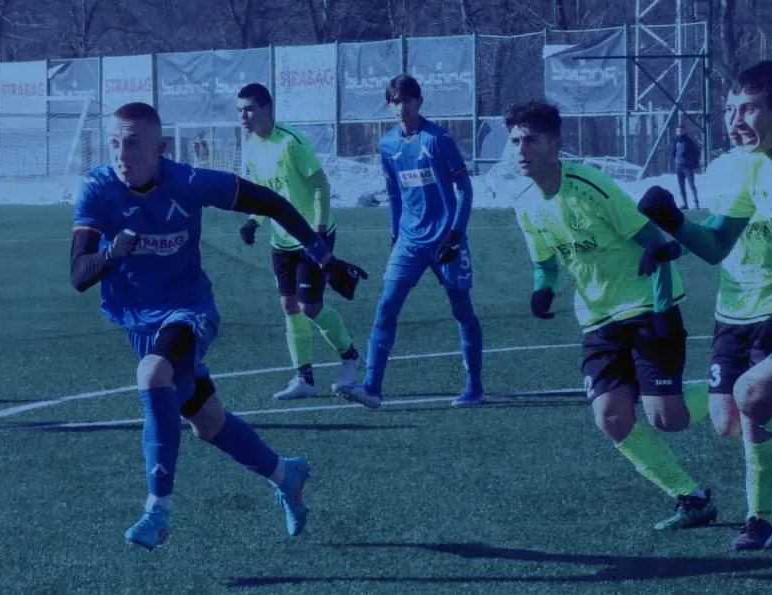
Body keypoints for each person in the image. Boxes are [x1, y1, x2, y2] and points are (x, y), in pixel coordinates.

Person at [70, 101, 367, 550]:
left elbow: (271, 201)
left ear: (159, 148)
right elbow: (78, 275)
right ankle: (287, 475)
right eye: (114, 143)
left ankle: (157, 512)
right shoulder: (96, 188)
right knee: (208, 424)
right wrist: (112, 253)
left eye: (132, 143)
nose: (121, 154)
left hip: (189, 311)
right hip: (137, 322)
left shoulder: (188, 182)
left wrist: (322, 256)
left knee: (153, 373)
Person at [507, 99, 717, 531]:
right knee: (610, 416)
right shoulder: (525, 203)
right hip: (598, 321)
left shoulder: (591, 186)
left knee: (668, 419)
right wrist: (542, 290)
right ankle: (691, 497)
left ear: (555, 145)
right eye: (515, 141)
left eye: (530, 140)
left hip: (645, 307)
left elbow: (654, 240)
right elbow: (545, 263)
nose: (521, 150)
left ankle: (730, 391)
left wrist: (659, 279)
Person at [638, 60, 772, 550]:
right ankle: (762, 522)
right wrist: (672, 221)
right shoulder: (752, 167)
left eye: (749, 109)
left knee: (754, 394)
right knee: (747, 403)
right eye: (730, 110)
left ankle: (760, 518)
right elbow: (716, 244)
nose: (735, 121)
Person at [335, 74, 485, 408]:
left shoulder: (438, 139)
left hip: (445, 240)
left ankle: (474, 387)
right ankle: (372, 389)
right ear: (388, 106)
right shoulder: (388, 144)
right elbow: (394, 192)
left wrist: (456, 234)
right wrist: (395, 235)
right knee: (386, 306)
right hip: (409, 241)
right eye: (394, 101)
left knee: (462, 310)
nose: (400, 107)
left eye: (406, 100)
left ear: (418, 102)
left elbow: (465, 188)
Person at [235, 82, 361, 400]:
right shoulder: (250, 148)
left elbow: (321, 186)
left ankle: (351, 357)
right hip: (281, 240)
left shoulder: (292, 142)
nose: (243, 116)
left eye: (248, 109)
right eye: (239, 111)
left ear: (267, 107)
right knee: (289, 306)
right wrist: (253, 221)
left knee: (310, 307)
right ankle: (303, 378)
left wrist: (319, 234)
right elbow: (266, 197)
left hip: (312, 236)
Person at [673, 126, 701, 209]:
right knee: (681, 187)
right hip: (678, 167)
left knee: (692, 185)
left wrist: (694, 165)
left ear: (684, 131)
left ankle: (696, 204)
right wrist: (676, 161)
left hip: (688, 167)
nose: (680, 132)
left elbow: (696, 153)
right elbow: (673, 153)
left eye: (681, 131)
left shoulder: (689, 141)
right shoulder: (675, 141)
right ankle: (685, 204)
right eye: (678, 131)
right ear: (676, 132)